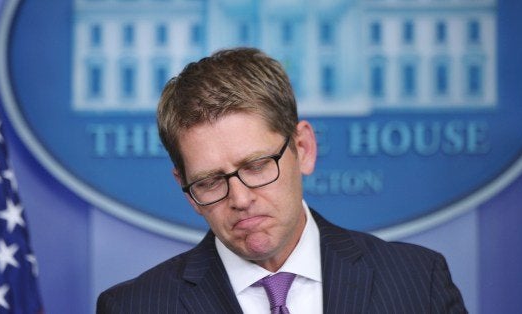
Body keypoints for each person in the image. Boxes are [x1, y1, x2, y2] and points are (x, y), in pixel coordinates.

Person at [96, 47, 467, 313]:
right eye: (209, 181)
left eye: (257, 165)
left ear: (303, 148)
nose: (239, 198)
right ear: (186, 190)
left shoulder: (419, 282)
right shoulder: (133, 306)